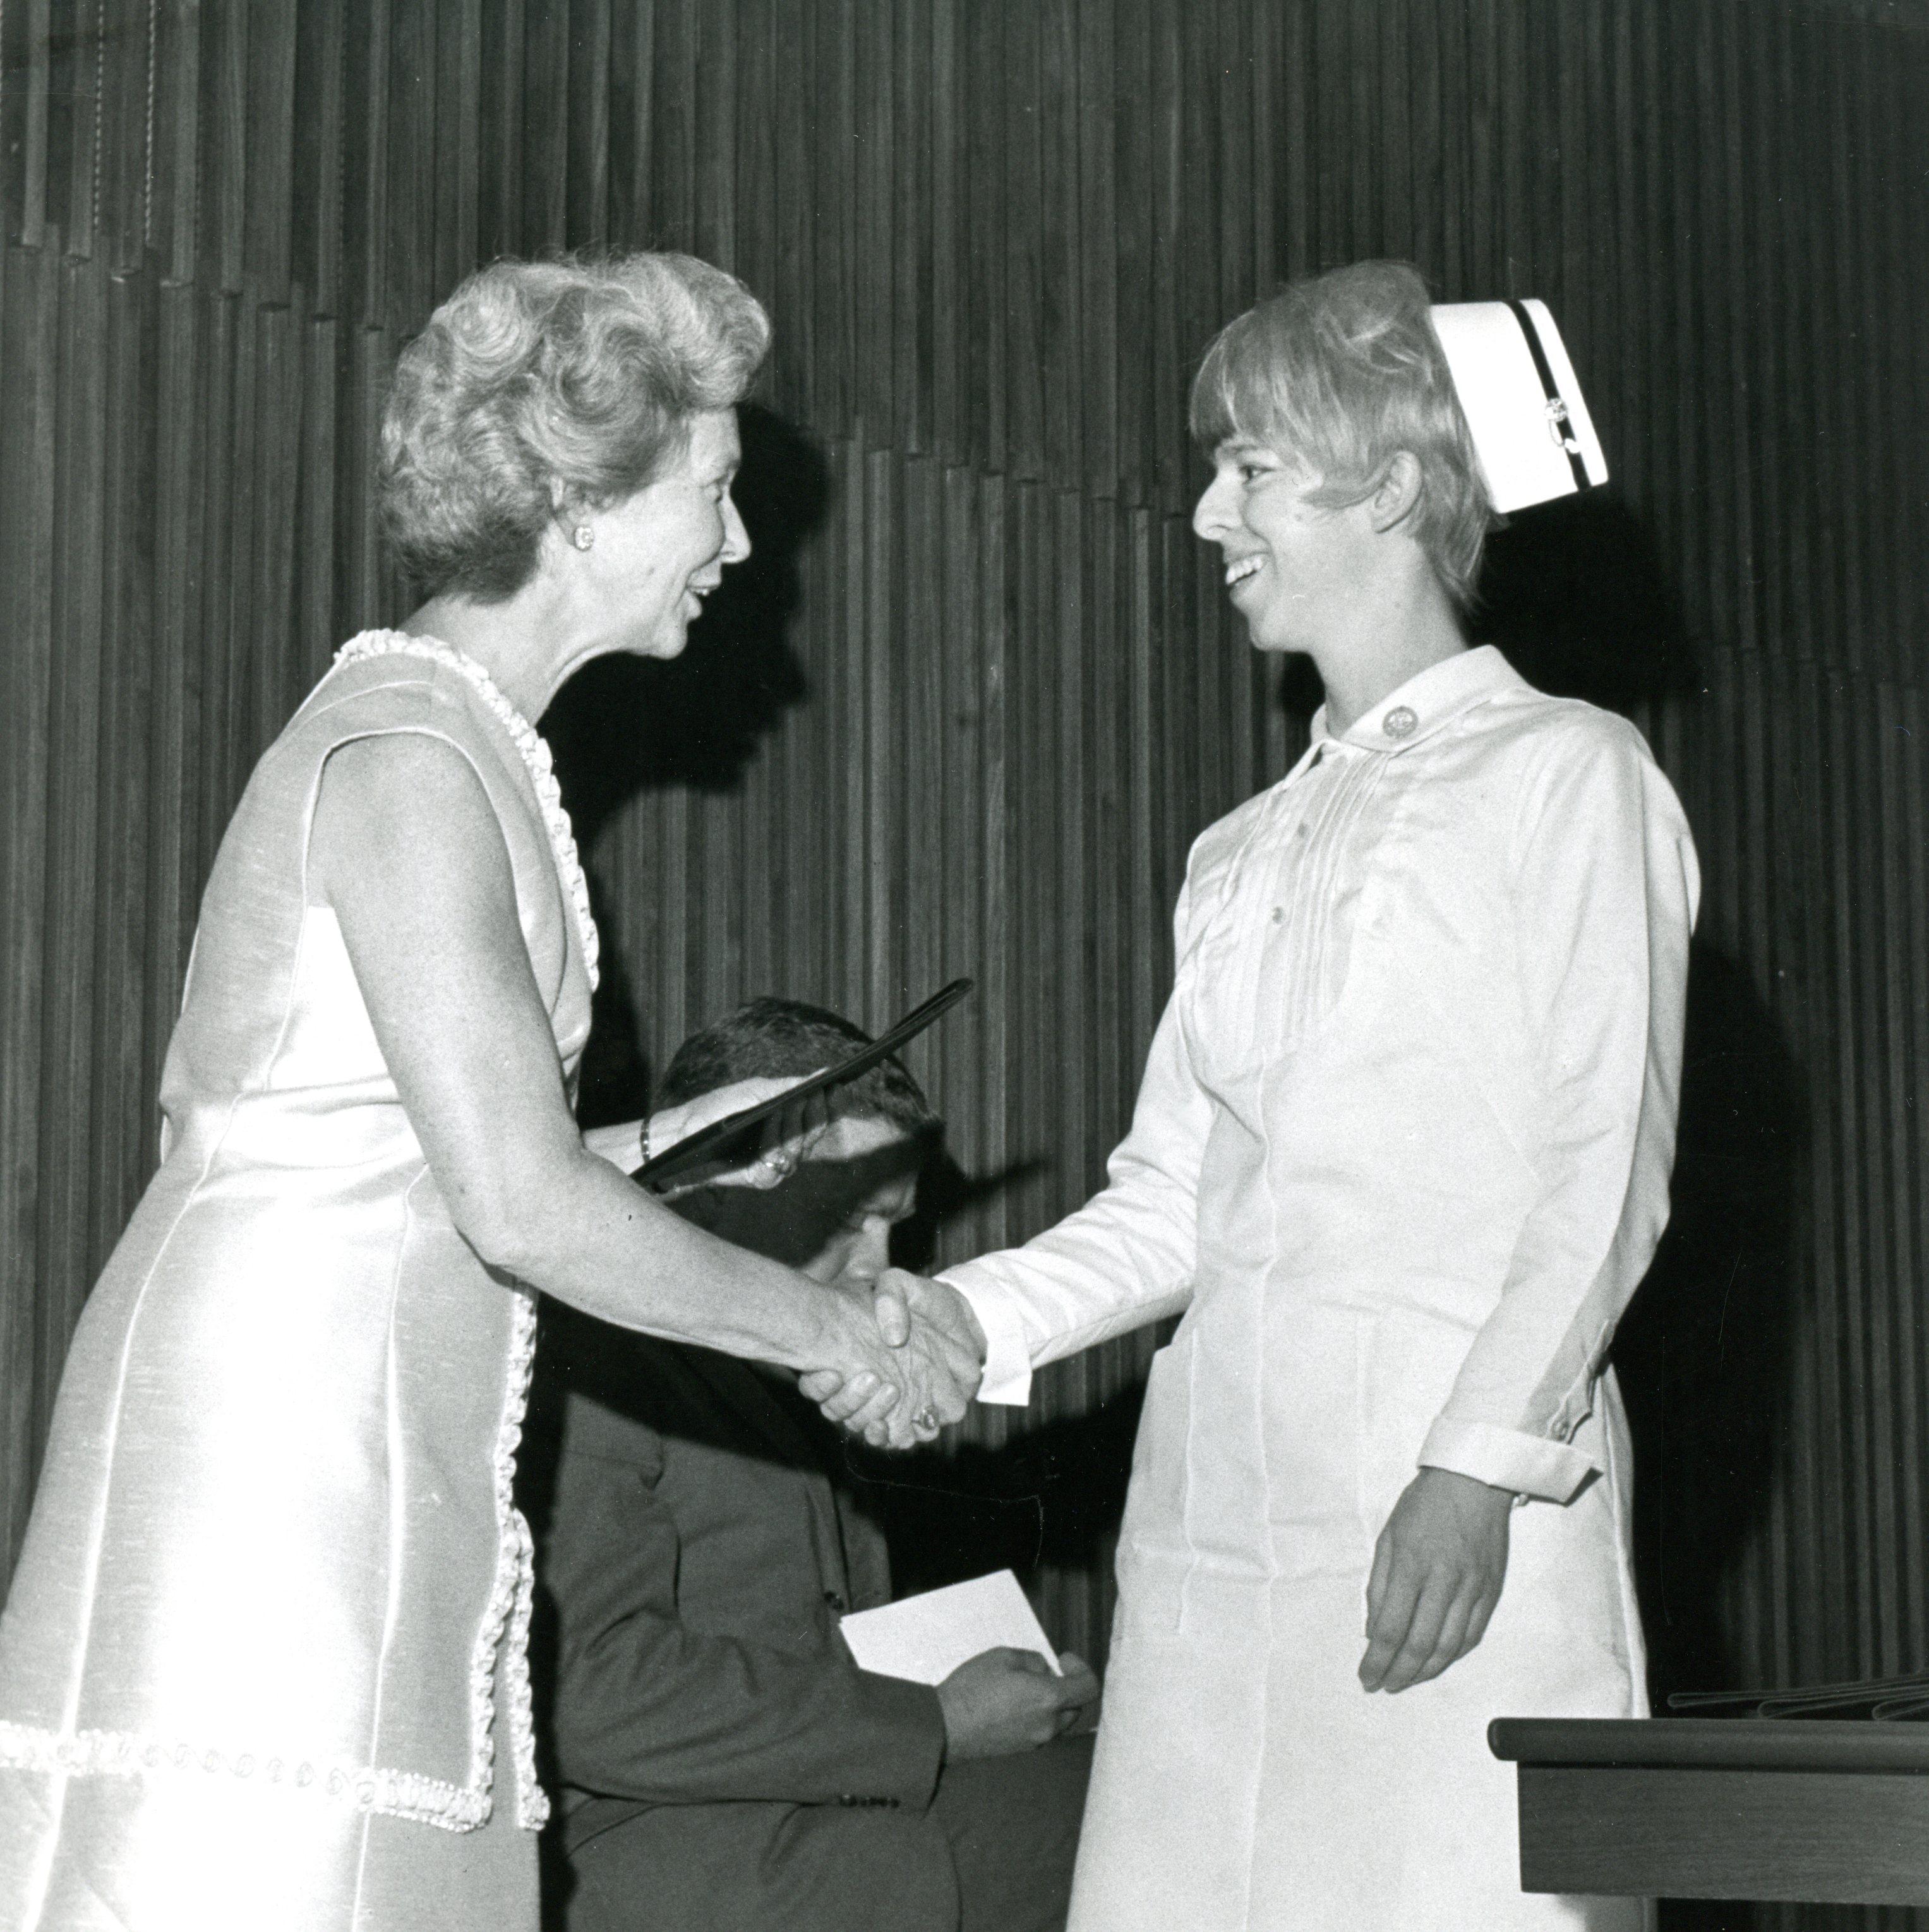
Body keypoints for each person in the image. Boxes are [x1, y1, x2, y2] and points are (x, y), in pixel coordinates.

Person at [0, 254, 975, 1932]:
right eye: (718, 492)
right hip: (275, 1450)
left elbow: (426, 1151)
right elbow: (514, 1200)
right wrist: (831, 1335)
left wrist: (707, 1143)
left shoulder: (469, 747)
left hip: (369, 1418)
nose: (741, 546)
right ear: (584, 509)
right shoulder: (407, 757)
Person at [818, 261, 1698, 1929]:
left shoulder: (1566, 773)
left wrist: (1471, 1470)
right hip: (1212, 1537)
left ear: (1385, 481)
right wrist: (954, 1318)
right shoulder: (1234, 849)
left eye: (1251, 468)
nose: (1209, 510)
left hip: (1452, 1523)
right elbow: (1173, 1199)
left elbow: (1603, 1170)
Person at [526, 997, 1098, 1932]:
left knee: (1136, 1790)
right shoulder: (592, 1356)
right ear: (724, 1171)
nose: (881, 1268)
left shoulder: (785, 1369)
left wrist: (994, 1697)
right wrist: (939, 1723)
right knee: (1122, 1827)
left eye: (896, 1226)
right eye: (851, 1215)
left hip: (803, 1818)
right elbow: (588, 1693)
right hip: (654, 1862)